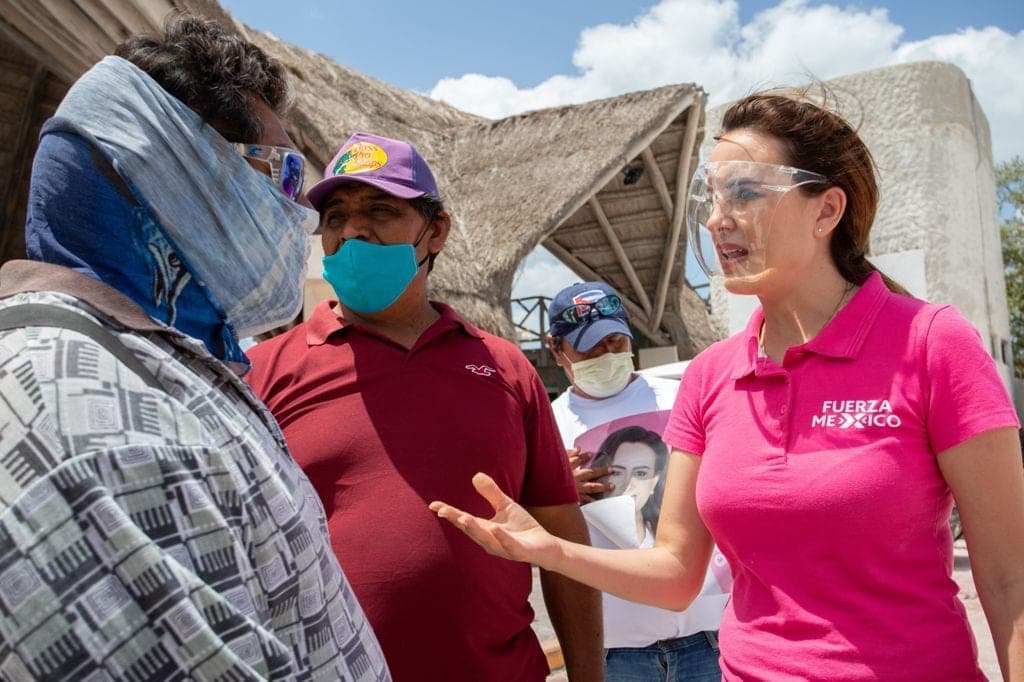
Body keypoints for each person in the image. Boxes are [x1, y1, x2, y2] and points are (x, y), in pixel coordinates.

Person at [430, 89, 1024, 681]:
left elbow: (1008, 578)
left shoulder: (931, 342)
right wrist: (549, 550)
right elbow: (676, 574)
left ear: (826, 211)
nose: (717, 220)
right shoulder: (709, 377)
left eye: (744, 193)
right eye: (712, 198)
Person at [0, 17, 388, 681]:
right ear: (181, 171)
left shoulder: (150, 370)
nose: (295, 215)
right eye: (283, 175)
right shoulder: (87, 417)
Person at [244, 132, 603, 681]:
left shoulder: (506, 369)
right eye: (335, 216)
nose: (351, 230)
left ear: (435, 231)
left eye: (380, 210)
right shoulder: (264, 372)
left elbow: (564, 540)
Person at [546, 282, 727, 681]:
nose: (606, 356)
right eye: (589, 348)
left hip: (710, 635)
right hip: (617, 650)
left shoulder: (681, 397)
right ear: (556, 349)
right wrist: (560, 492)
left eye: (614, 342)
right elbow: (535, 528)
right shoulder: (546, 426)